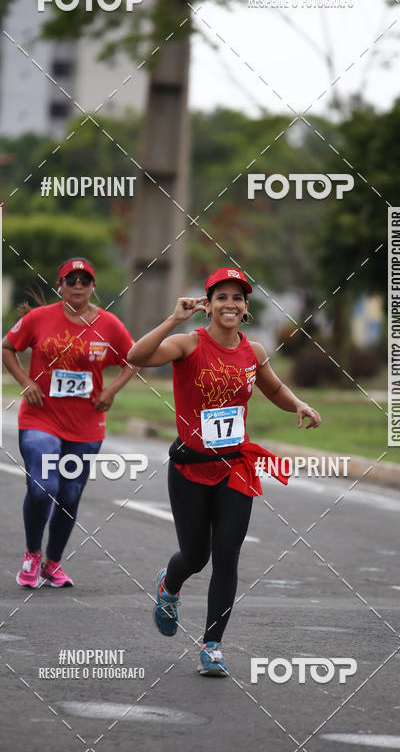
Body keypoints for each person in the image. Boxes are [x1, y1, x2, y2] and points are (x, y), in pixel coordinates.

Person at [127, 267, 321, 677]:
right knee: (195, 556)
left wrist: (299, 404)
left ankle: (212, 645)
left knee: (227, 555)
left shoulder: (254, 352)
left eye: (238, 298)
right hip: (190, 468)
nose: (230, 304)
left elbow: (273, 389)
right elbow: (136, 357)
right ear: (208, 304)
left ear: (245, 307)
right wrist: (173, 318)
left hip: (236, 467)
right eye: (221, 297)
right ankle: (169, 586)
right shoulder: (186, 344)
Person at [2, 257, 135, 589]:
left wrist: (113, 391)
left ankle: (52, 563)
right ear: (59, 286)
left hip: (86, 424)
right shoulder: (38, 319)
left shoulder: (110, 325)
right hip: (40, 418)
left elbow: (134, 360)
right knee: (44, 486)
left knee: (70, 494)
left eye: (84, 280)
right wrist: (26, 382)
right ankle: (32, 554)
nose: (77, 285)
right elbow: (7, 347)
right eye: (70, 280)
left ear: (93, 287)